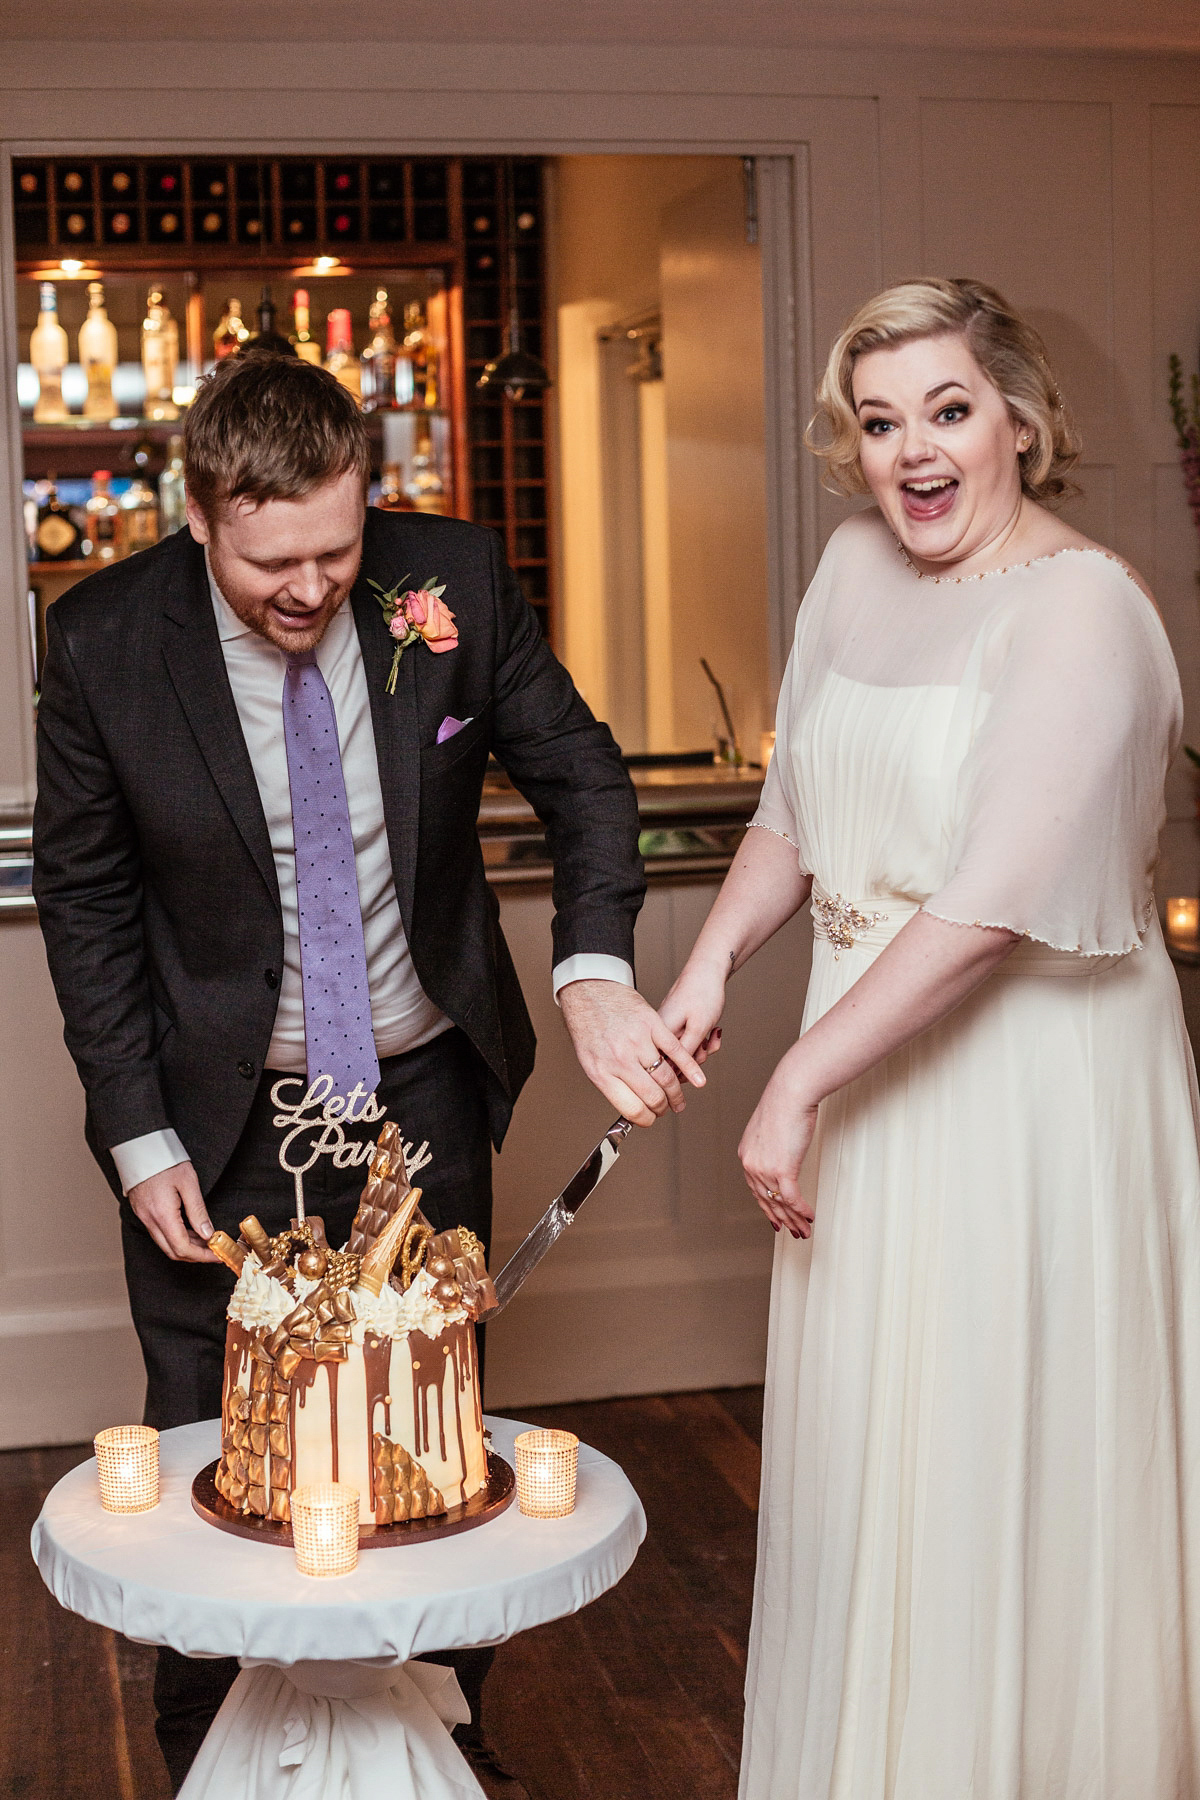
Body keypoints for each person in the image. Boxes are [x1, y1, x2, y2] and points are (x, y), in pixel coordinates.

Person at [33, 352, 703, 1795]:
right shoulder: (100, 639)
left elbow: (585, 779)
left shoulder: (445, 578)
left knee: (429, 1425)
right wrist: (136, 1131)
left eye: (338, 552)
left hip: (421, 1089)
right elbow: (86, 904)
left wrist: (592, 974)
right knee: (215, 1446)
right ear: (199, 516)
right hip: (218, 1120)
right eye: (273, 561)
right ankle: (204, 1754)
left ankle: (443, 1745)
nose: (312, 587)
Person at [659, 278, 1200, 1797]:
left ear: (1020, 418)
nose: (916, 453)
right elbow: (795, 810)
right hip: (870, 1069)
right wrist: (712, 964)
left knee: (991, 1446)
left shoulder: (1084, 606)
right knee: (871, 1457)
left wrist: (795, 1077)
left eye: (950, 412)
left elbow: (993, 903)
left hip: (1026, 1092)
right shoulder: (849, 568)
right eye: (881, 422)